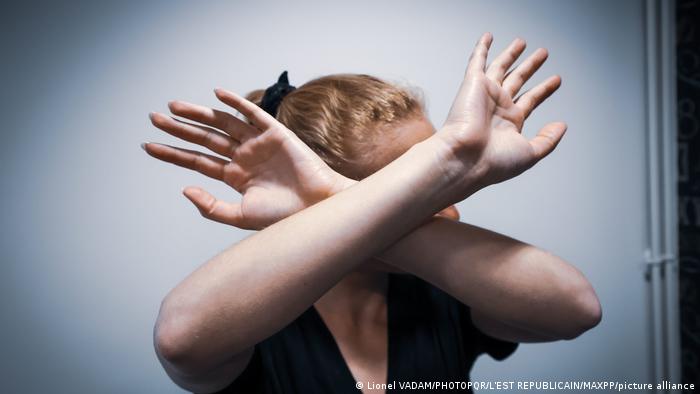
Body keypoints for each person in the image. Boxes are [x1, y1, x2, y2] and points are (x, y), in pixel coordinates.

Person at [142, 34, 601, 393]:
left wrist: (331, 195)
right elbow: (180, 338)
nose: (454, 214)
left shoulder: (447, 294)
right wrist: (433, 170)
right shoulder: (253, 315)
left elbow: (577, 308)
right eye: (412, 191)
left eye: (435, 188)